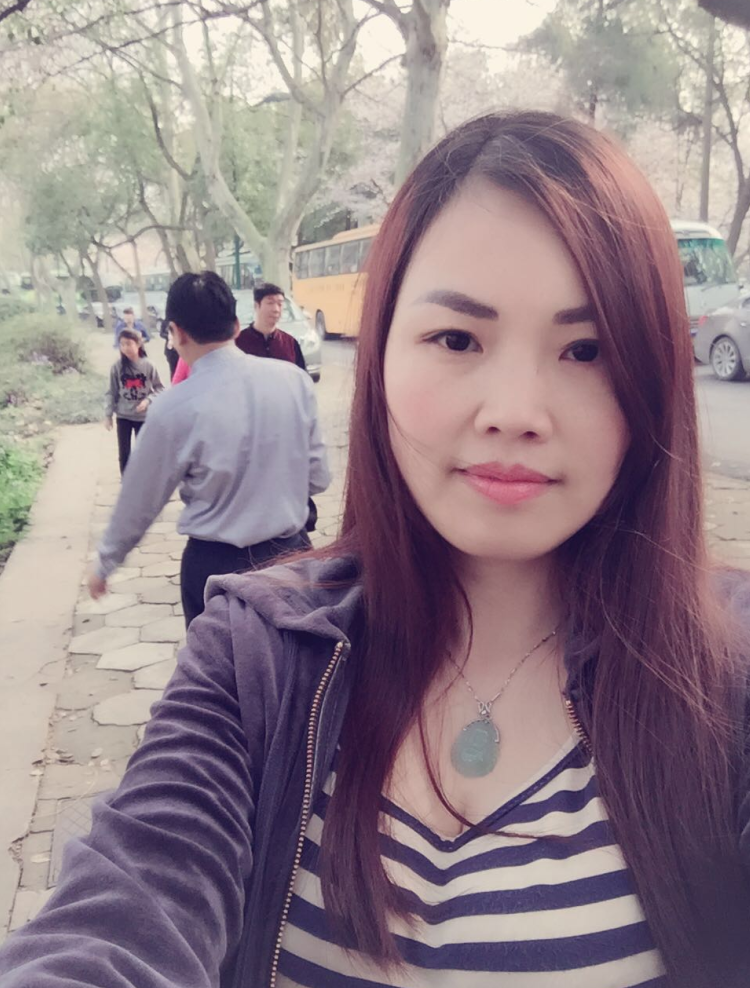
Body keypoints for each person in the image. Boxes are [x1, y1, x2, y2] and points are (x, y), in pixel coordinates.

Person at [2, 112, 750, 988]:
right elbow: (128, 907)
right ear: (381, 357)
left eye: (586, 350)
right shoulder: (255, 658)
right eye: (457, 339)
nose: (515, 411)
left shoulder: (726, 674)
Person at [89, 270, 329, 628]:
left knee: (218, 663)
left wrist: (105, 563)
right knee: (295, 660)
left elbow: (140, 500)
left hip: (216, 572)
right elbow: (319, 477)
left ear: (176, 333)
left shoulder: (172, 408)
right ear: (236, 325)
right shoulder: (294, 381)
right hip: (291, 561)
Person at [104, 328, 164, 475]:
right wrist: (108, 414)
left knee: (143, 451)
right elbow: (112, 391)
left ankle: (143, 478)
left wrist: (148, 400)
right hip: (123, 416)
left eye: (129, 344)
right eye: (122, 344)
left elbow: (160, 388)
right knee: (124, 452)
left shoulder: (148, 366)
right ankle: (126, 480)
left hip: (143, 417)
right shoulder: (117, 367)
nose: (126, 348)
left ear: (138, 344)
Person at [235, 282, 307, 369]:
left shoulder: (290, 343)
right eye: (270, 303)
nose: (276, 309)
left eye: (280, 304)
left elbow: (301, 374)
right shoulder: (238, 343)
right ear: (256, 306)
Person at [159, 316, 180, 380]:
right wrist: (168, 336)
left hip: (179, 349)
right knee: (172, 369)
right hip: (170, 350)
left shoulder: (178, 321)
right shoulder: (165, 322)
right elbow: (161, 334)